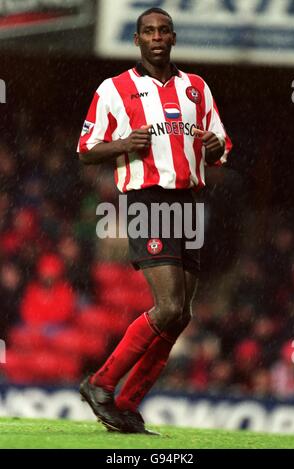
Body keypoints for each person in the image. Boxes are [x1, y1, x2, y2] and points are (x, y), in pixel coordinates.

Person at [77, 7, 232, 434]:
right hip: (147, 199)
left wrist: (216, 145)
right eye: (148, 31)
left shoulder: (197, 88)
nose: (156, 37)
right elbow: (86, 148)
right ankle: (101, 383)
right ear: (137, 40)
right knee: (167, 306)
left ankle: (126, 404)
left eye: (163, 30)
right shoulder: (114, 89)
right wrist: (125, 143)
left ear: (174, 37)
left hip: (189, 202)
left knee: (181, 314)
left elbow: (221, 145)